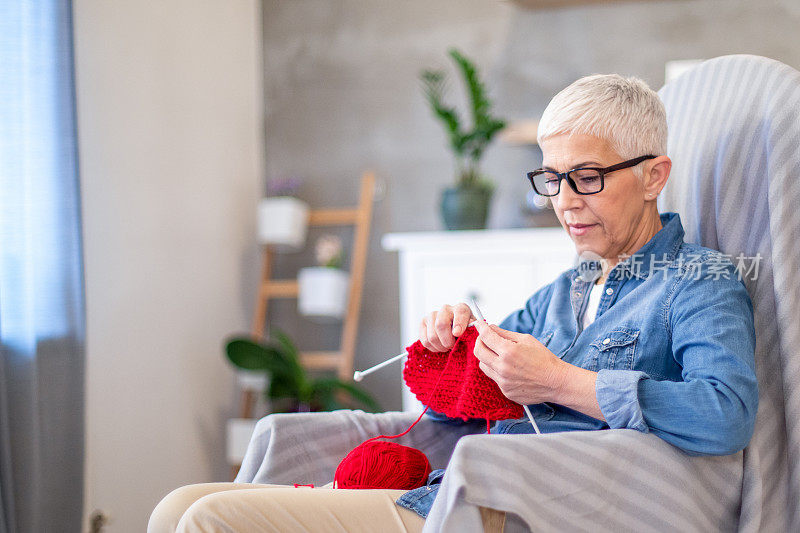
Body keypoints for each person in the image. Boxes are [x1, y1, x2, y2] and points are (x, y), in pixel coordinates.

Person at [149, 74, 758, 532]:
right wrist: (457, 341)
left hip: (513, 505)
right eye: (550, 178)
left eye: (588, 177)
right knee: (175, 508)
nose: (564, 201)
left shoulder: (698, 280)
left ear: (653, 176)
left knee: (210, 519)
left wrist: (559, 382)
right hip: (448, 488)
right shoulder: (567, 290)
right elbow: (478, 382)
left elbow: (726, 411)